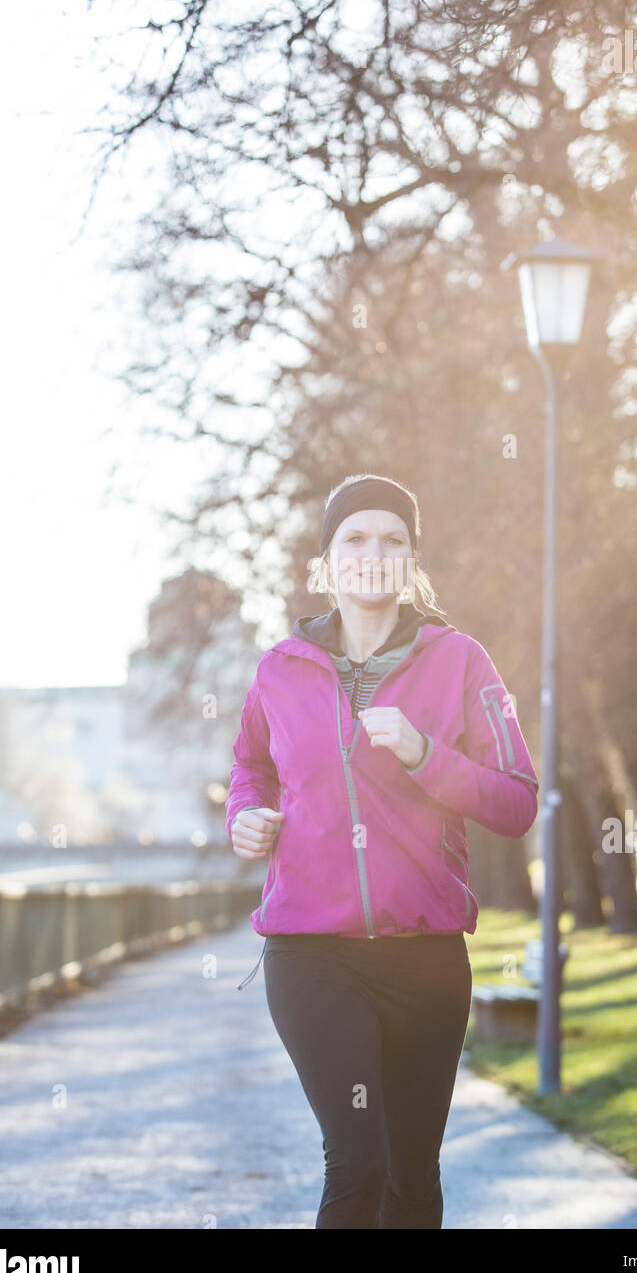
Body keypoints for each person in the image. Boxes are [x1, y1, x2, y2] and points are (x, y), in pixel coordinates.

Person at [226, 473, 539, 1228]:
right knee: (357, 1162)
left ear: (412, 561)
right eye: (355, 539)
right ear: (327, 563)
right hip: (311, 953)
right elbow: (251, 767)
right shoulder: (281, 670)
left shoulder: (462, 662)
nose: (374, 554)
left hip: (425, 957)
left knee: (411, 1176)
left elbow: (516, 801)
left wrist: (428, 754)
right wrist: (246, 816)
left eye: (392, 540)